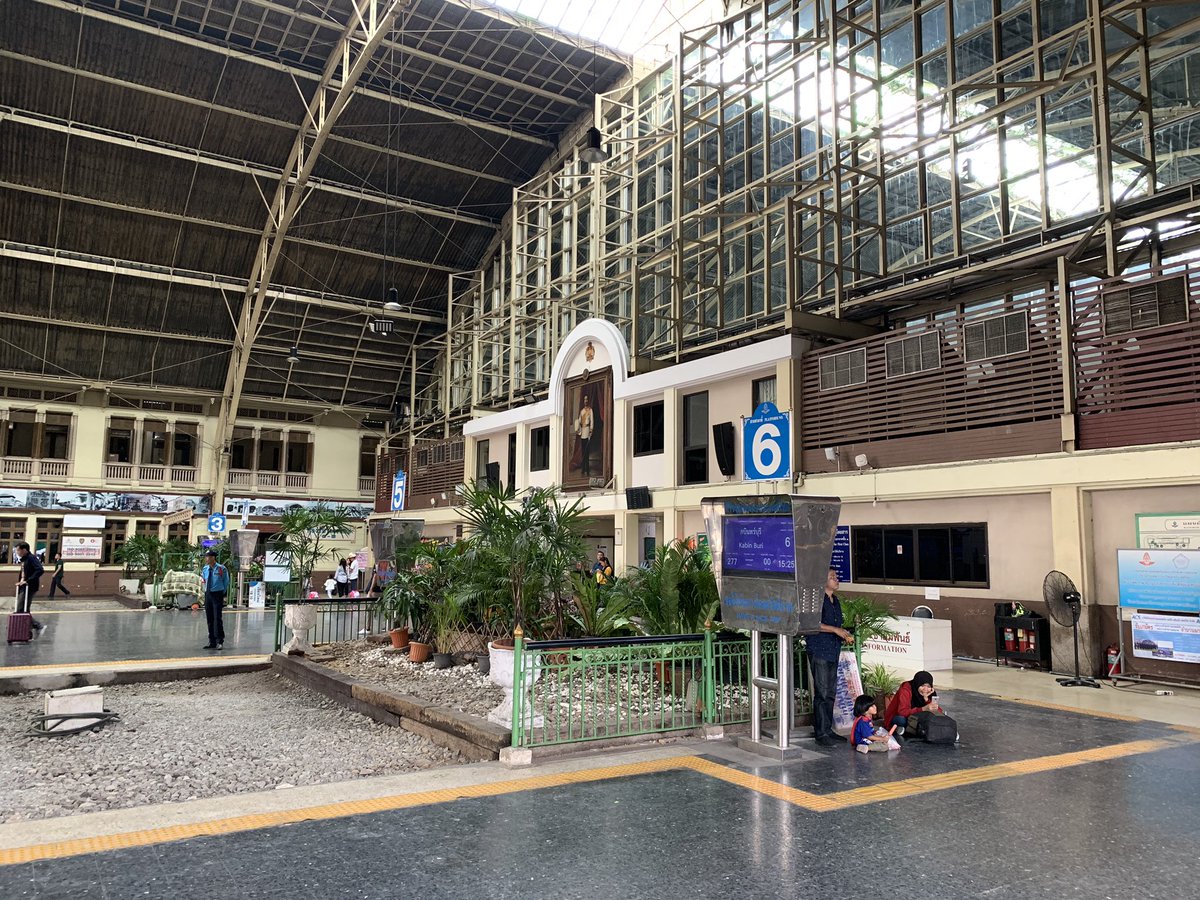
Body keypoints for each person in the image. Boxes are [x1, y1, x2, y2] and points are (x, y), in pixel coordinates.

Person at [807, 568, 853, 747]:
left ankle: (828, 729)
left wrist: (844, 634)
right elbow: (812, 624)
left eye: (836, 576)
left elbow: (837, 626)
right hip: (819, 649)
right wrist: (835, 630)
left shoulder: (836, 601)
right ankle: (820, 732)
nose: (836, 579)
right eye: (832, 577)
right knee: (822, 692)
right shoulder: (817, 600)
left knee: (830, 693)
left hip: (833, 650)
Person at [14, 542, 47, 637]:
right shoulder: (24, 559)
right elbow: (24, 573)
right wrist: (21, 582)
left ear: (24, 550)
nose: (17, 552)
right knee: (22, 609)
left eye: (18, 550)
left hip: (30, 587)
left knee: (21, 609)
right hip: (23, 586)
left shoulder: (31, 558)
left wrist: (28, 580)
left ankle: (37, 626)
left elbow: (40, 569)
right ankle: (28, 632)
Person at [200, 550, 229, 650]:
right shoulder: (205, 569)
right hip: (208, 594)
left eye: (207, 557)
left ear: (213, 558)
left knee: (217, 618)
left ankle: (219, 641)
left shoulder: (221, 569)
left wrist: (221, 592)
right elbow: (203, 580)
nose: (206, 559)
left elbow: (226, 581)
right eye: (206, 557)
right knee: (210, 618)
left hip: (217, 594)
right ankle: (211, 641)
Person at [577, 392, 595, 476]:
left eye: (587, 399)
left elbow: (592, 421)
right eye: (584, 399)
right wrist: (578, 430)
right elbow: (579, 422)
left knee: (587, 452)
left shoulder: (590, 410)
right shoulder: (582, 411)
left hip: (587, 430)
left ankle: (587, 469)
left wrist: (591, 431)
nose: (586, 401)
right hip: (583, 431)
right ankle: (583, 469)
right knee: (583, 452)